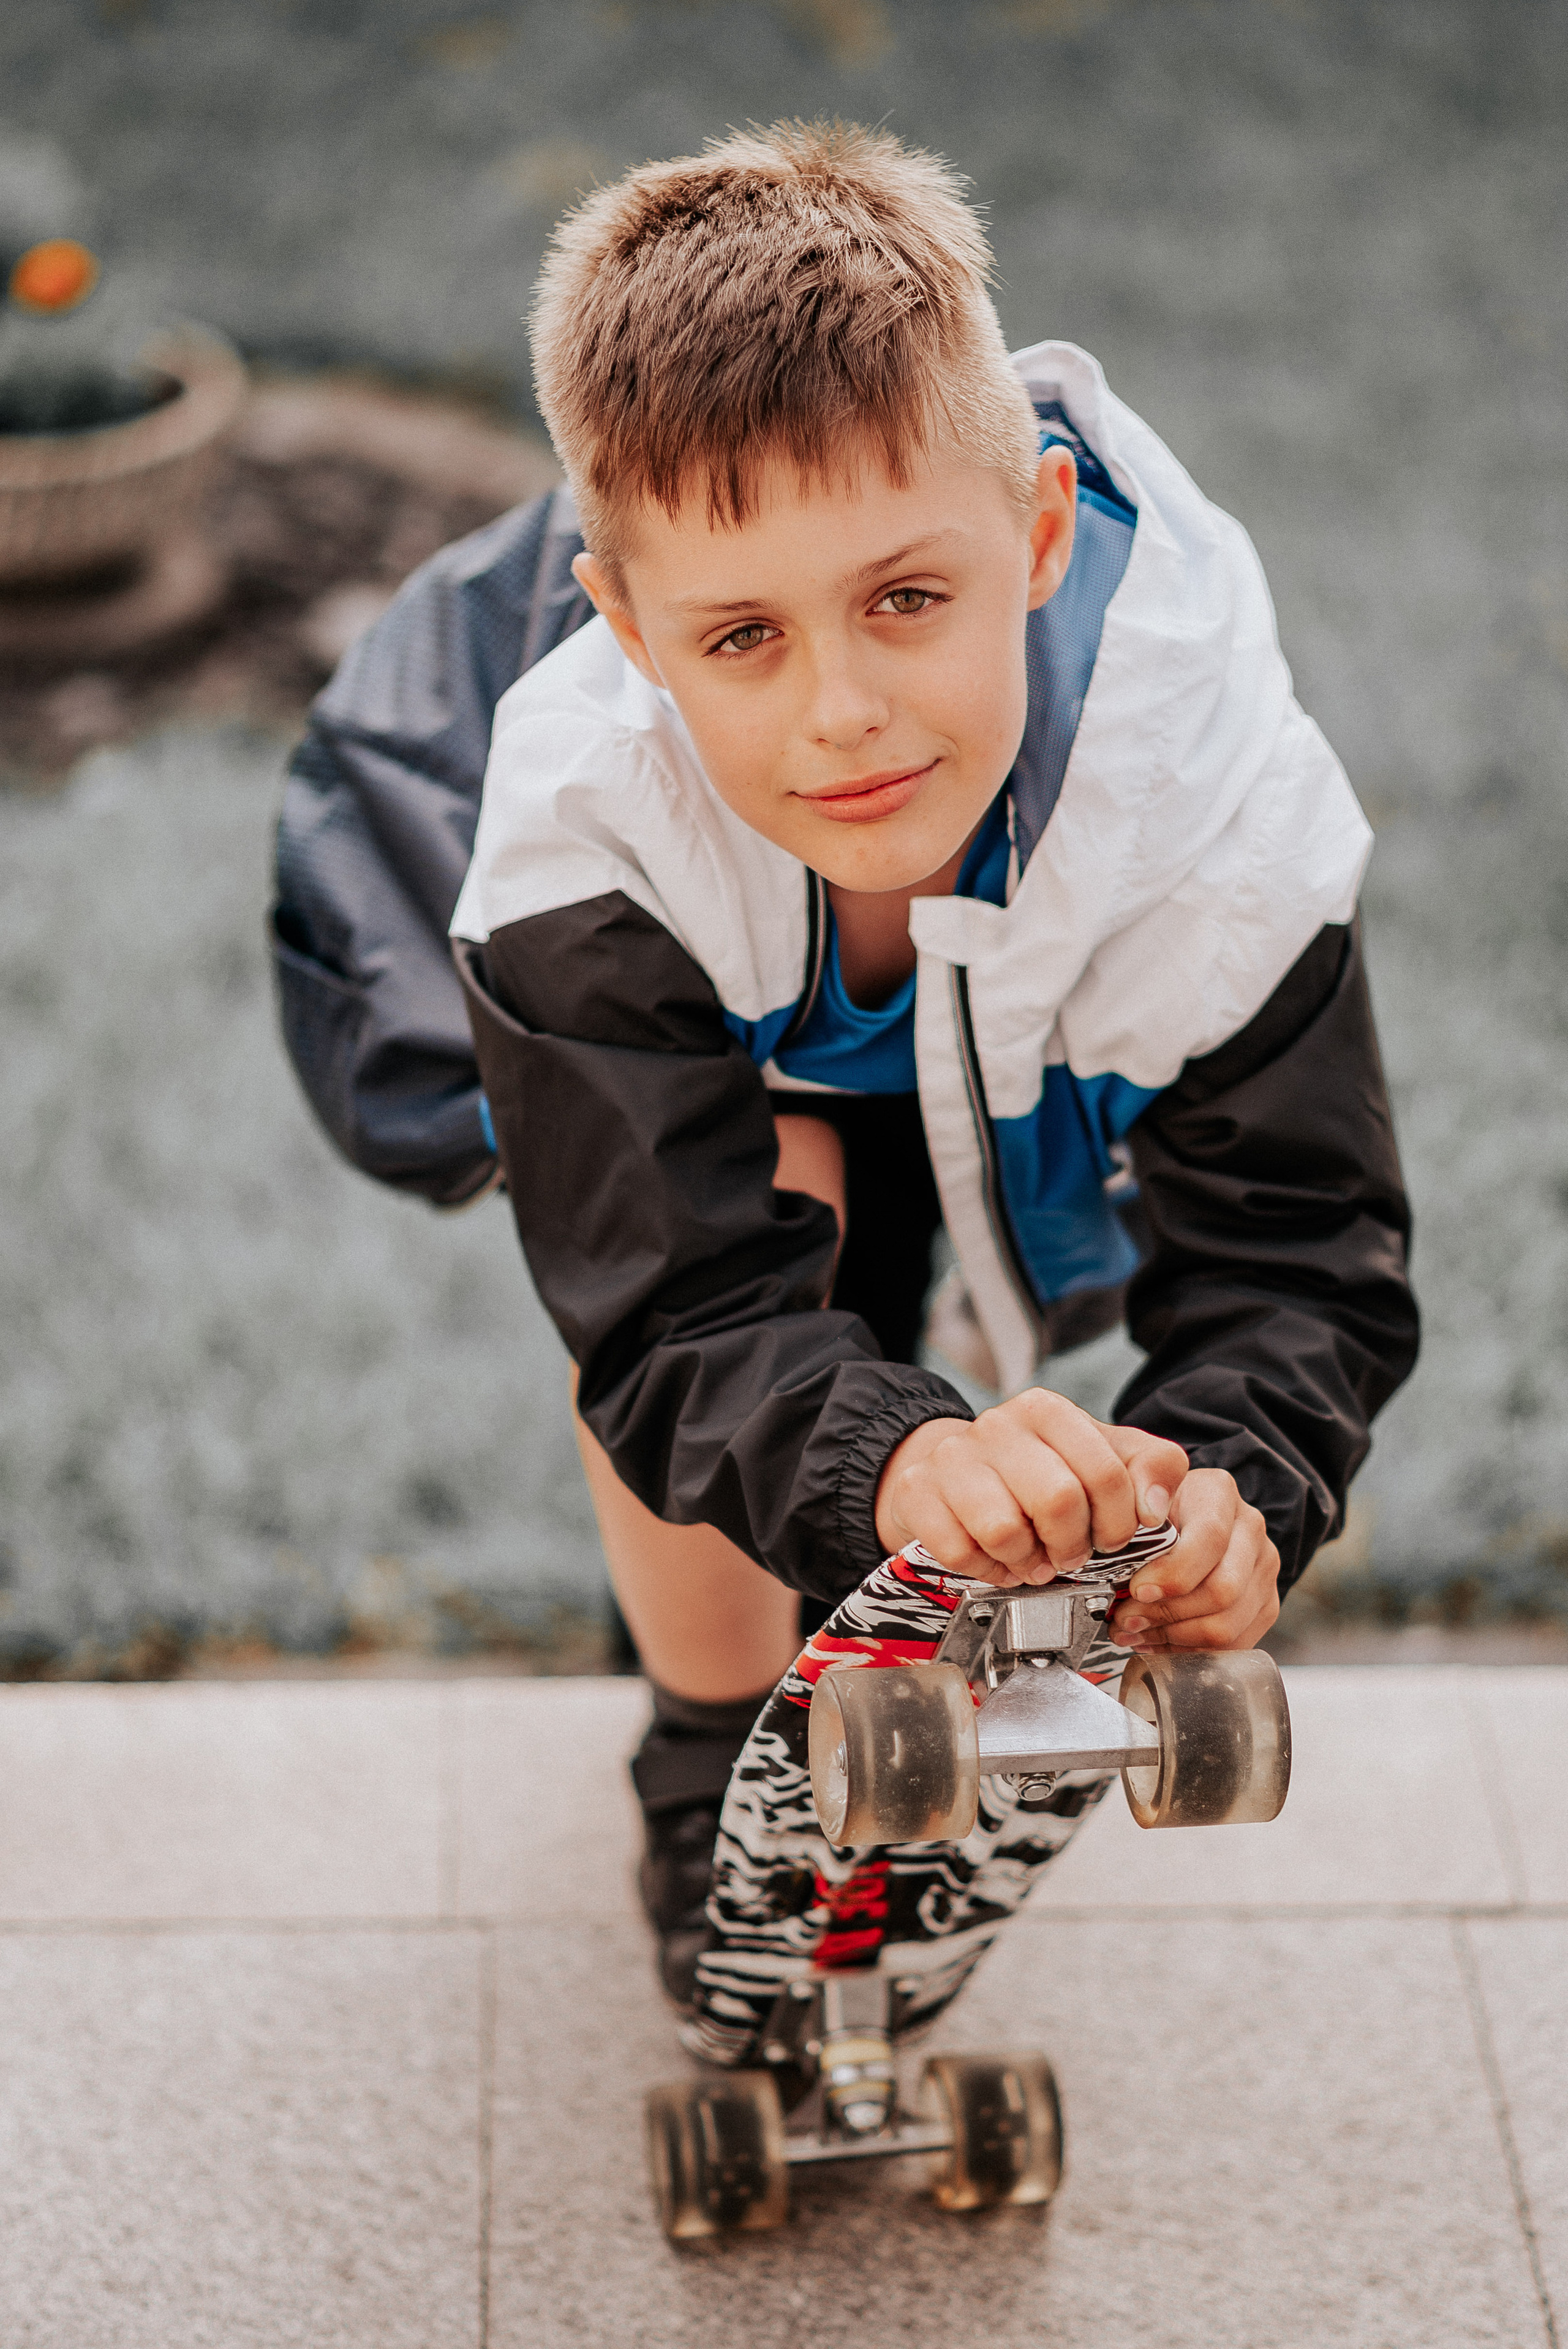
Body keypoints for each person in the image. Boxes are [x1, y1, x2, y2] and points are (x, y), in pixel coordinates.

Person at [291, 121, 1419, 2009]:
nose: (844, 709)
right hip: (545, 895)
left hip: (1004, 944)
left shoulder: (1206, 789)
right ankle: (698, 1736)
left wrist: (1237, 1488)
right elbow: (666, 1297)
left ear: (1042, 532)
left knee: (900, 1200)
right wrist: (894, 1457)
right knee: (781, 1220)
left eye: (910, 597)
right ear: (632, 630)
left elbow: (1303, 1240)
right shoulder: (573, 821)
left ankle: (840, 1495)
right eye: (747, 635)